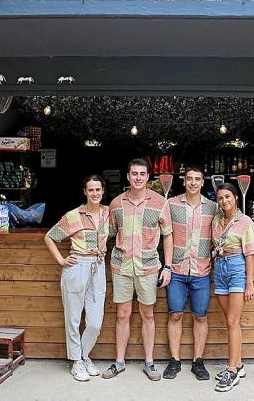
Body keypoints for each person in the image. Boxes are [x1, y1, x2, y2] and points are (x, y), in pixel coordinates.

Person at [102, 158, 173, 381]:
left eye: (142, 174)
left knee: (147, 314)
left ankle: (149, 362)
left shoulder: (160, 203)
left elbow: (168, 235)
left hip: (149, 267)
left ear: (148, 177)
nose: (138, 178)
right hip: (122, 266)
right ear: (128, 176)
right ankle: (119, 362)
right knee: (122, 314)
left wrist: (168, 266)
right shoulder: (115, 204)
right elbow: (109, 234)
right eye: (134, 174)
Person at [44, 175, 109, 382]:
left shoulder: (108, 213)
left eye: (98, 190)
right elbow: (50, 236)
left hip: (98, 267)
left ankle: (83, 354)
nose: (95, 193)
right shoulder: (73, 216)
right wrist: (61, 260)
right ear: (84, 192)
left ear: (103, 191)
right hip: (77, 265)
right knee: (72, 318)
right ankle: (76, 362)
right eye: (91, 190)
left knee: (95, 322)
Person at [162, 166, 218, 381]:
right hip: (176, 271)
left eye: (197, 179)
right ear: (183, 181)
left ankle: (198, 361)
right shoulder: (172, 204)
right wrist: (167, 265)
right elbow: (165, 235)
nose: (193, 182)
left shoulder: (213, 207)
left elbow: (224, 228)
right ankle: (174, 360)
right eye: (189, 179)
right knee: (175, 315)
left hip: (201, 271)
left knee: (200, 316)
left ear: (203, 183)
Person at [211, 182, 254, 393]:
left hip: (237, 267)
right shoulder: (217, 220)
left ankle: (231, 370)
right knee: (231, 321)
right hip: (220, 268)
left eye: (228, 197)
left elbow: (249, 254)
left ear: (236, 198)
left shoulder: (245, 221)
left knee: (232, 320)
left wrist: (249, 283)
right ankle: (239, 365)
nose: (224, 201)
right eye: (220, 198)